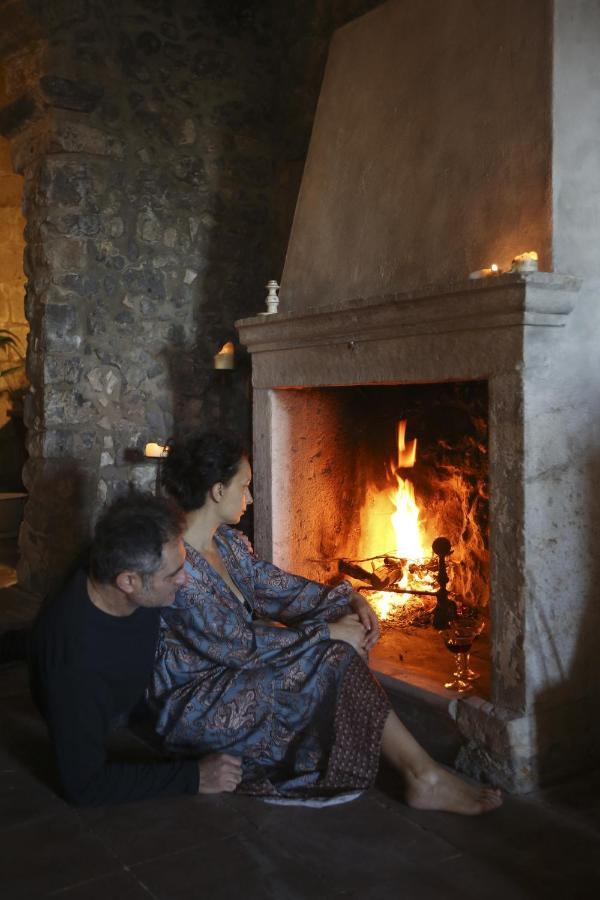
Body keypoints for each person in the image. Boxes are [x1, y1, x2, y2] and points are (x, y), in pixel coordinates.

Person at [148, 431, 502, 814]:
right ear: (217, 491)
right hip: (198, 701)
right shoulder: (176, 563)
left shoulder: (227, 545)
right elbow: (238, 644)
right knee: (333, 654)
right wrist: (329, 632)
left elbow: (279, 588)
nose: (249, 498)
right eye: (244, 487)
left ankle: (422, 774)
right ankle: (423, 776)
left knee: (336, 650)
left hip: (237, 675)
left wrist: (346, 600)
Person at [29, 490, 242, 806]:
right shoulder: (76, 662)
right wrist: (196, 777)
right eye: (172, 574)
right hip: (114, 711)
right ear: (128, 582)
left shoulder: (118, 555)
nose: (185, 579)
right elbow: (85, 785)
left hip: (142, 680)